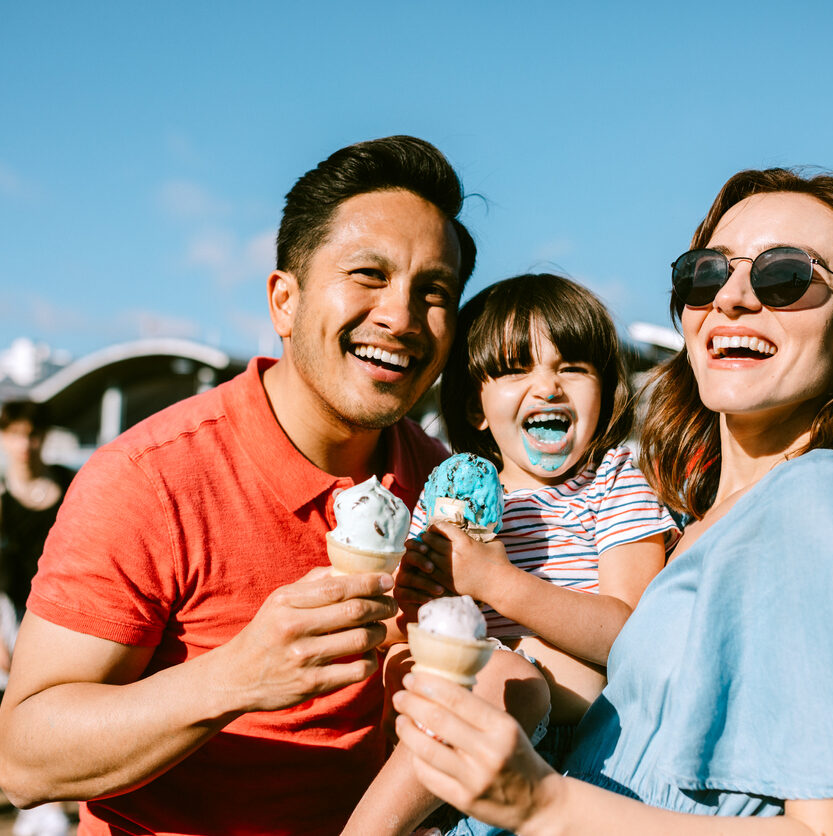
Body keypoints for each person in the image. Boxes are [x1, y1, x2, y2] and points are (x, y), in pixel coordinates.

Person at [0, 135, 477, 836]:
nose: (401, 317)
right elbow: (22, 758)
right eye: (369, 274)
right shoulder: (151, 478)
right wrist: (238, 676)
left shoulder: (445, 492)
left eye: (433, 291)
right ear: (284, 301)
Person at [393, 167, 833, 835]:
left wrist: (546, 806)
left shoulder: (809, 498)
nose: (733, 298)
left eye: (786, 277)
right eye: (706, 274)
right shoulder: (698, 524)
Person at [343, 274, 679, 835]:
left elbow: (631, 636)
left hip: (577, 762)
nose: (547, 387)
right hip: (450, 757)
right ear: (476, 407)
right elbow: (403, 640)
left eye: (572, 366)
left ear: (606, 389)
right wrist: (414, 600)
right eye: (516, 368)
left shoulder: (615, 482)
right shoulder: (444, 496)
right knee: (488, 672)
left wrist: (495, 582)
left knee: (510, 676)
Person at [0, 401, 76, 836]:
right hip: (17, 621)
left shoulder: (71, 487)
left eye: (31, 433)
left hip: (67, 619)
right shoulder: (2, 502)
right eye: (14, 434)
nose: (24, 444)